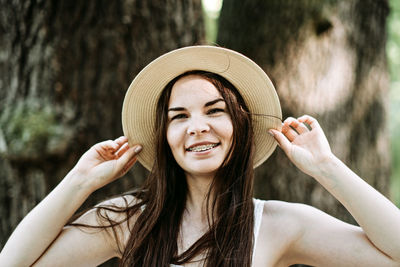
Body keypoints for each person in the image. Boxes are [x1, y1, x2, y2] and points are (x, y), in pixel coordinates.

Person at [0, 46, 399, 267]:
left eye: (214, 111)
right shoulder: (128, 220)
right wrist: (80, 181)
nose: (196, 127)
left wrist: (328, 169)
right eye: (179, 117)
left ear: (239, 125)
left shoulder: (278, 225)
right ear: (166, 137)